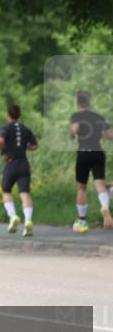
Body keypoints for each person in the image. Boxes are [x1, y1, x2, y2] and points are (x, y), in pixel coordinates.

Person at [70, 90, 113, 231]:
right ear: (89, 101)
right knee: (100, 184)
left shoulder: (76, 116)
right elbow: (110, 135)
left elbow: (75, 129)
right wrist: (101, 134)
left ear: (78, 102)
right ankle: (105, 207)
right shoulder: (98, 116)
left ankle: (82, 222)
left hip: (84, 153)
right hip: (98, 153)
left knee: (81, 188)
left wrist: (72, 134)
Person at [0, 104, 38, 237]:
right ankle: (28, 221)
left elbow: (0, 140)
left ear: (8, 114)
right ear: (19, 115)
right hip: (24, 164)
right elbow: (34, 146)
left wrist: (2, 150)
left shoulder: (5, 128)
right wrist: (24, 147)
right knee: (24, 193)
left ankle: (13, 216)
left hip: (11, 163)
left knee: (6, 191)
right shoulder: (26, 129)